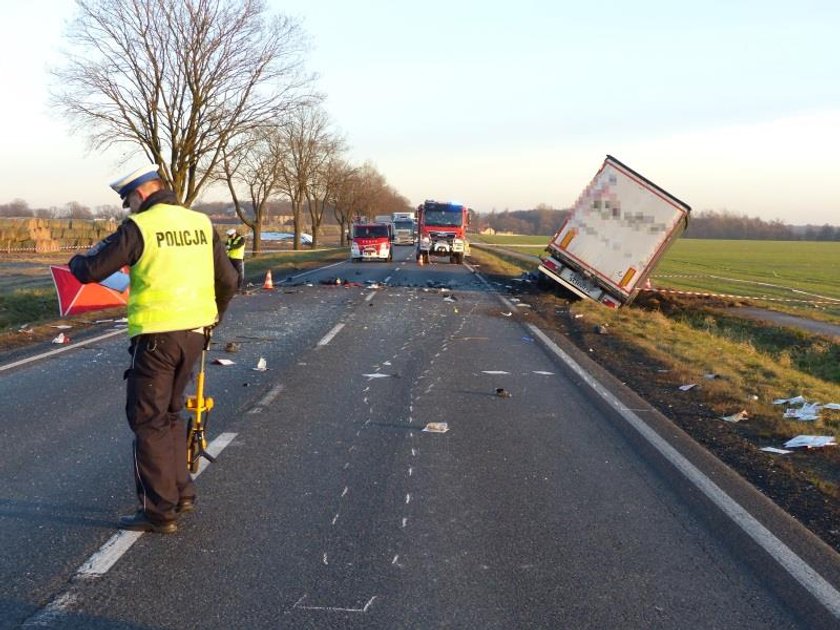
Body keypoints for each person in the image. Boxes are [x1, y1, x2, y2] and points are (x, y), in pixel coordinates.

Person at [69, 164, 238, 534]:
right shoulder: (200, 223)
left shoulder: (141, 227)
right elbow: (228, 279)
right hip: (194, 332)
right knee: (170, 414)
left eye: (129, 201)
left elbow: (91, 271)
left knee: (147, 419)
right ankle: (182, 491)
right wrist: (212, 319)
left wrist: (78, 260)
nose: (129, 208)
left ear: (141, 193)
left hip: (156, 336)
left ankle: (159, 511)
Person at [225, 227, 246, 293]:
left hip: (238, 259)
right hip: (230, 258)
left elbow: (238, 246)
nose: (229, 237)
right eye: (229, 236)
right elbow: (226, 245)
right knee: (229, 274)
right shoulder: (229, 239)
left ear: (234, 234)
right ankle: (230, 287)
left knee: (239, 274)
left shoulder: (241, 239)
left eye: (230, 236)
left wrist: (230, 247)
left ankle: (238, 288)